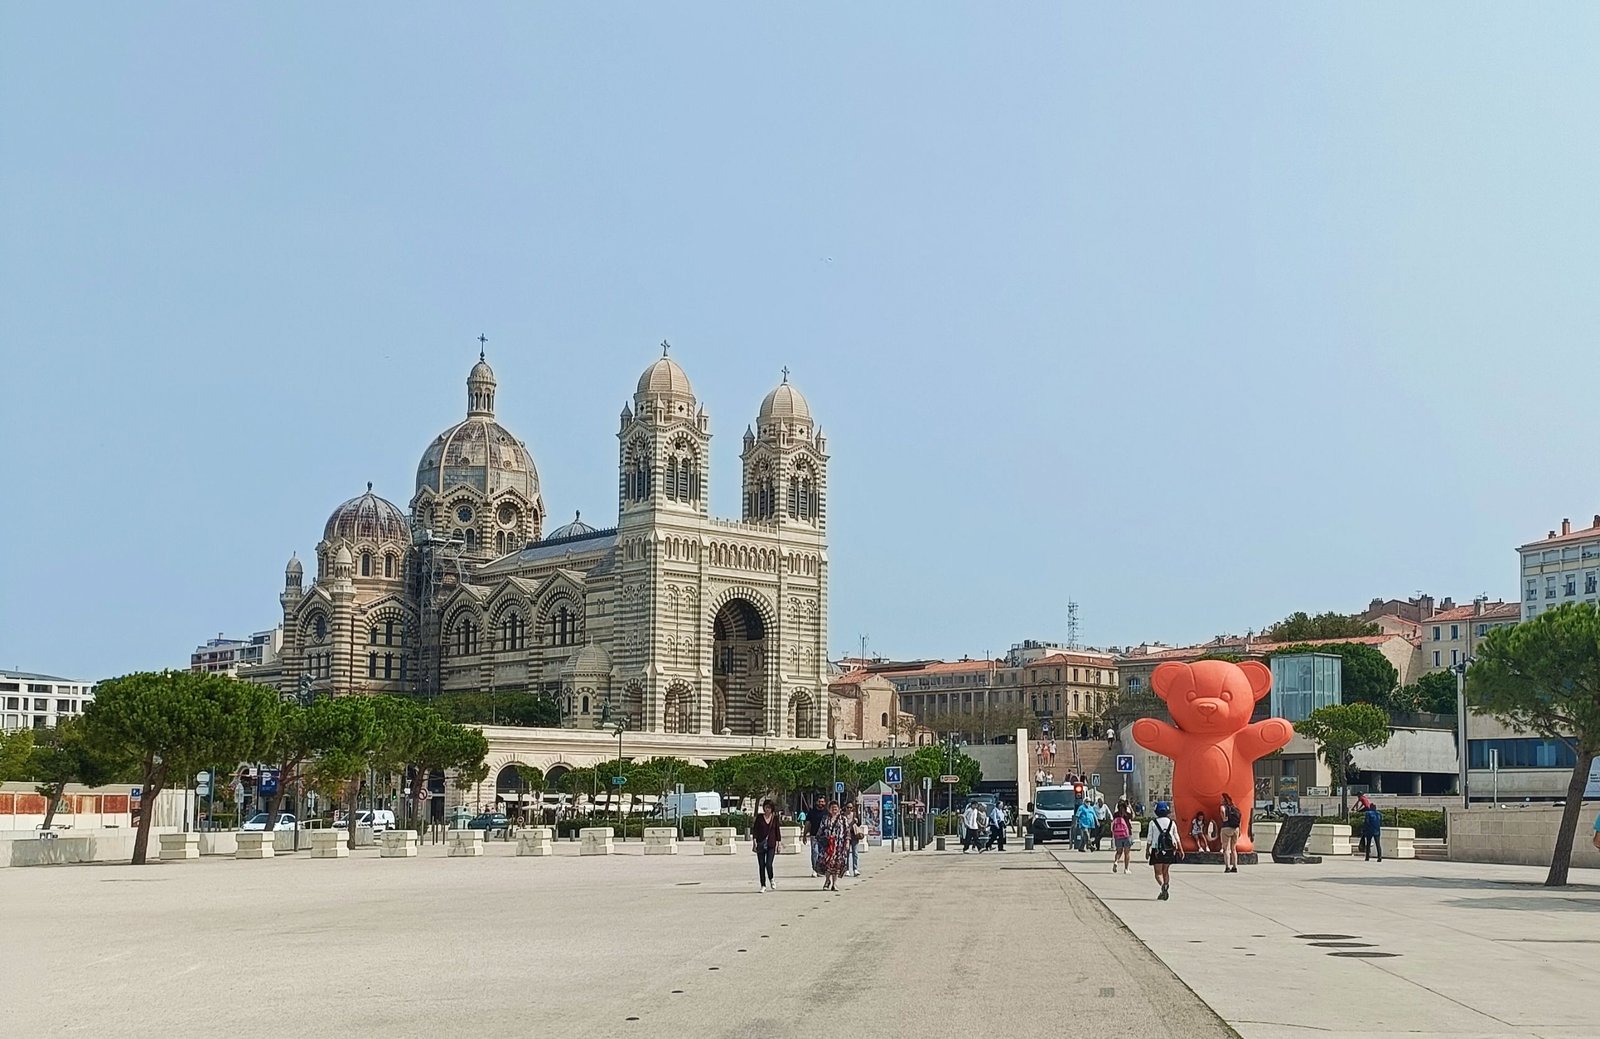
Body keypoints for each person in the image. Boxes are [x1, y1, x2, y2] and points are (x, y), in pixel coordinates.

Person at [1147, 802, 1183, 900]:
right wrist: (1181, 849)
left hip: (1157, 850)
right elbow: (1177, 837)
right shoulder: (1172, 823)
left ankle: (1163, 887)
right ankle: (1165, 886)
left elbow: (1150, 838)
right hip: (1169, 849)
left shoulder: (1153, 823)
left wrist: (1147, 850)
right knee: (1165, 871)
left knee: (1158, 873)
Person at [817, 800, 851, 890]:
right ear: (829, 809)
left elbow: (847, 832)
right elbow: (820, 830)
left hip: (839, 846)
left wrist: (847, 842)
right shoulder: (825, 818)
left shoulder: (843, 819)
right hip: (828, 846)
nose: (834, 810)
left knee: (837, 865)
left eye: (836, 808)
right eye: (832, 808)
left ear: (839, 809)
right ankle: (827, 880)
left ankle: (834, 884)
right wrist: (821, 840)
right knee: (827, 864)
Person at [753, 798, 781, 892]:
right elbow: (755, 830)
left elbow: (777, 831)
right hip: (760, 843)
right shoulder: (760, 817)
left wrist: (779, 843)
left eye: (769, 807)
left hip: (771, 844)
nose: (767, 809)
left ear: (772, 808)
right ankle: (763, 885)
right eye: (765, 807)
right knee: (761, 865)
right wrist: (754, 842)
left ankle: (771, 879)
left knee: (769, 864)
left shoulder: (775, 818)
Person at [1218, 792, 1243, 873]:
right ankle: (1235, 867)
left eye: (1221, 799)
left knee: (1225, 849)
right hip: (1235, 829)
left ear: (1224, 800)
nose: (1220, 800)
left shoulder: (1223, 807)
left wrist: (1223, 817)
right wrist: (1240, 830)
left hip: (1226, 828)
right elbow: (1240, 817)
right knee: (1233, 849)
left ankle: (1227, 867)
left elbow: (1222, 812)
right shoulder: (1234, 807)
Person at [804, 795, 828, 876]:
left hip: (824, 836)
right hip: (814, 836)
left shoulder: (827, 812)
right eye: (819, 802)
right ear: (816, 802)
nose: (821, 803)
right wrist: (804, 835)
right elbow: (807, 824)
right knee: (815, 853)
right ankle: (815, 869)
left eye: (822, 802)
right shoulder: (811, 812)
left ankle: (820, 869)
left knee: (822, 854)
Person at [1110, 805, 1134, 874]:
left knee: (1119, 851)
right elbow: (1133, 816)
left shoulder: (1116, 814)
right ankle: (1126, 869)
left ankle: (1116, 861)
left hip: (1118, 835)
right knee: (1127, 853)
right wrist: (1130, 807)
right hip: (1127, 834)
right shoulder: (1127, 814)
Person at [844, 802, 863, 876]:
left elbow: (859, 824)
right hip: (846, 836)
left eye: (850, 808)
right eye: (848, 807)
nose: (849, 809)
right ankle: (847, 869)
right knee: (846, 853)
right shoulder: (843, 815)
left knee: (855, 853)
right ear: (845, 807)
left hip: (854, 834)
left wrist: (856, 820)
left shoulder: (854, 815)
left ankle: (855, 869)